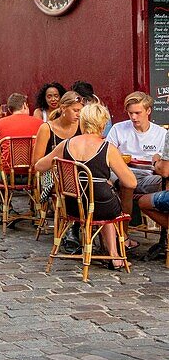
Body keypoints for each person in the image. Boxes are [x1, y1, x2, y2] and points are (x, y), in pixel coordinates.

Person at [34, 102, 136, 270]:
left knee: (95, 196)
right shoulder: (107, 148)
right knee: (105, 197)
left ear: (82, 122)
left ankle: (110, 252)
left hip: (72, 206)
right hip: (102, 206)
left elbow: (39, 166)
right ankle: (115, 255)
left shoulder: (65, 145)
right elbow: (131, 182)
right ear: (102, 124)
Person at [107, 91, 168, 260]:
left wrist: (155, 163)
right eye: (130, 113)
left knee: (164, 183)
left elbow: (163, 167)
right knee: (128, 184)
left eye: (137, 113)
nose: (133, 117)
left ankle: (164, 236)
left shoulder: (160, 134)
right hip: (123, 174)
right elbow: (107, 155)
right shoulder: (119, 129)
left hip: (149, 176)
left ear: (148, 111)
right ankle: (123, 236)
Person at [0, 94, 44, 183]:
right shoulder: (40, 123)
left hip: (7, 176)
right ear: (25, 105)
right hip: (34, 175)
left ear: (9, 109)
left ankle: (2, 195)